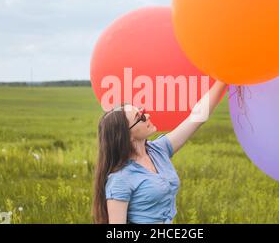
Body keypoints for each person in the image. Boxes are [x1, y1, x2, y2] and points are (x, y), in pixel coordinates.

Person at [93, 80, 228, 224]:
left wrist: (223, 80)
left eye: (142, 111)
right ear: (127, 136)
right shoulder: (120, 179)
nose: (148, 116)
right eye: (140, 117)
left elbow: (197, 117)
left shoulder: (158, 150)